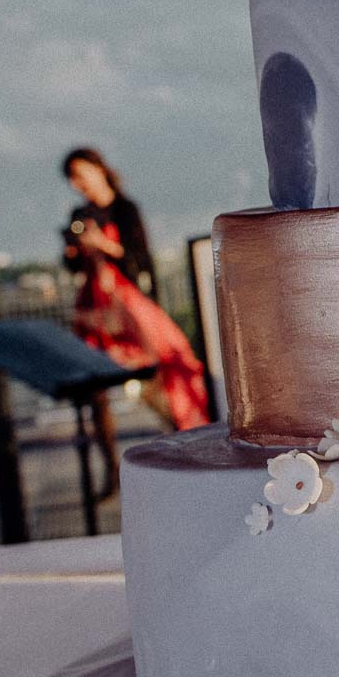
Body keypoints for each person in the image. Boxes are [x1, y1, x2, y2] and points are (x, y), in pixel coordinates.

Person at [61, 147, 209, 495]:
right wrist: (75, 250)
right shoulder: (79, 213)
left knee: (165, 372)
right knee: (93, 385)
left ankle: (185, 447)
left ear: (98, 170)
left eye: (81, 174)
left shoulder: (125, 209)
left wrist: (103, 245)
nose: (77, 183)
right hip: (95, 303)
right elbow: (72, 264)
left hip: (127, 304)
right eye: (73, 178)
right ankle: (111, 468)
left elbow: (139, 258)